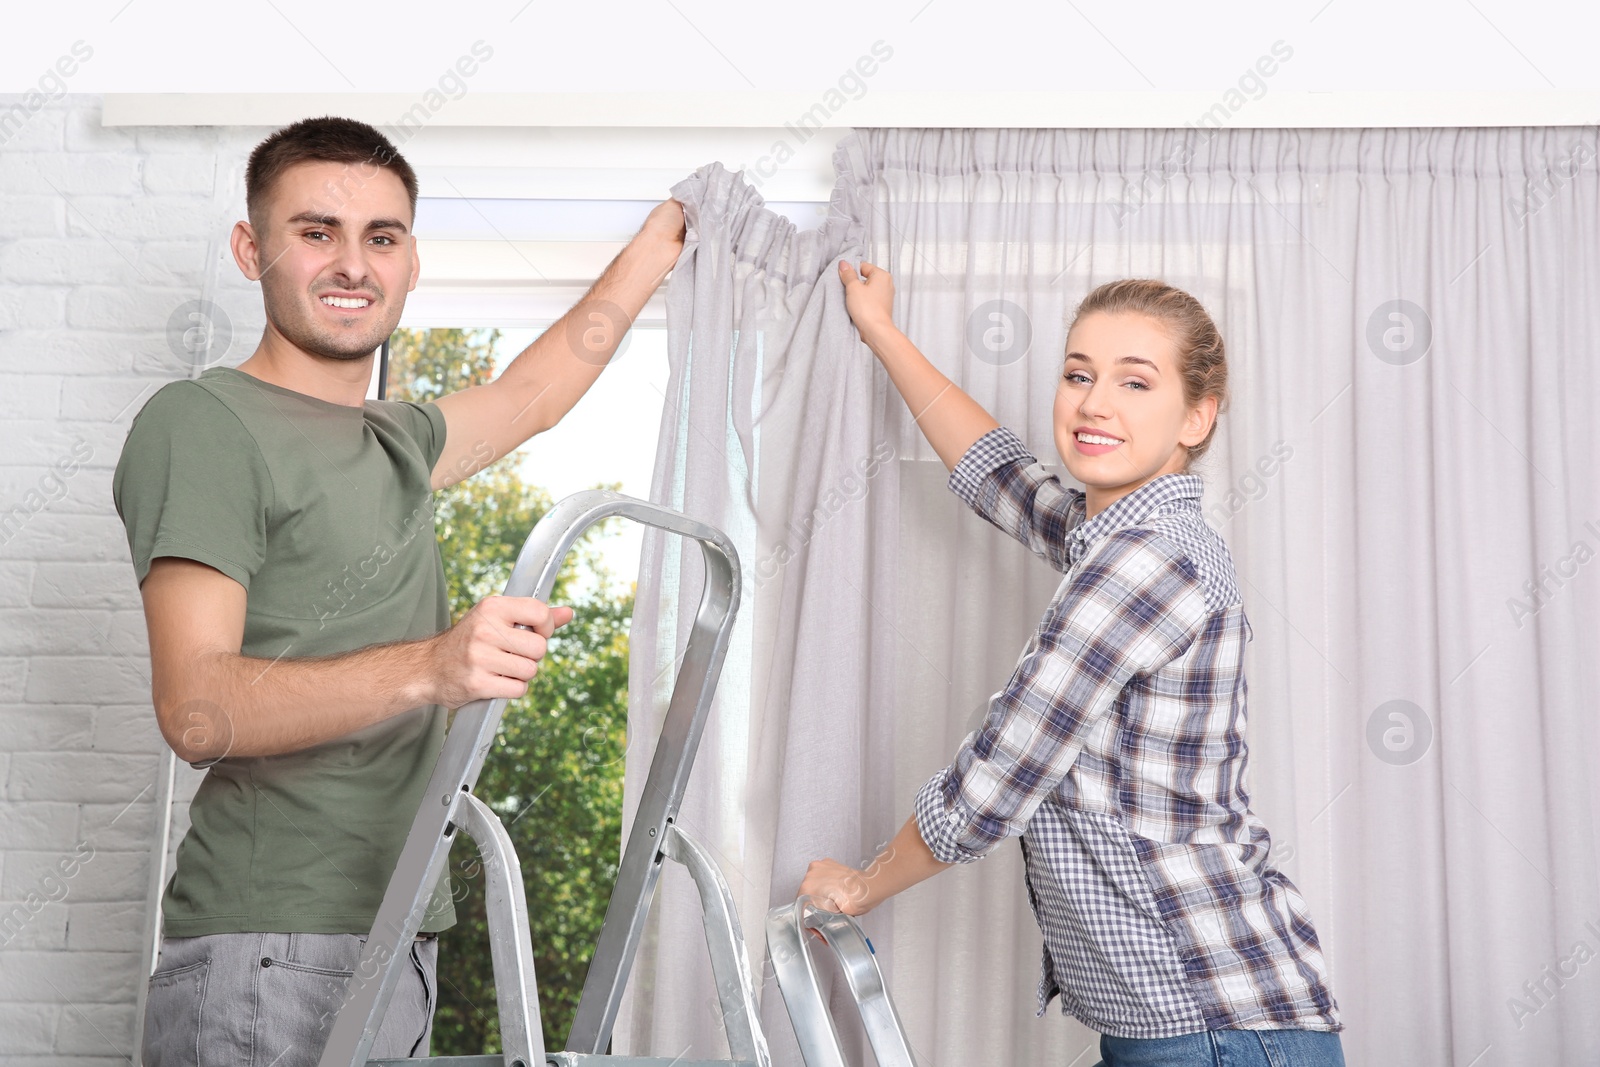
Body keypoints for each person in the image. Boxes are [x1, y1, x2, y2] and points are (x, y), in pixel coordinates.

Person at [113, 115, 684, 1066]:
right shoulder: (204, 423)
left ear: (412, 262)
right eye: (316, 232)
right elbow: (197, 706)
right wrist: (434, 665)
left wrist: (659, 247)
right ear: (252, 250)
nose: (353, 264)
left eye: (381, 237)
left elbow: (534, 394)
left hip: (397, 937)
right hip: (271, 948)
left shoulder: (397, 441)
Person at [798, 260, 1345, 1067]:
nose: (1094, 401)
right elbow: (1002, 478)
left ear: (1197, 417)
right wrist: (881, 329)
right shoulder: (1120, 540)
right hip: (1193, 1022)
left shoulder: (1145, 563)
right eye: (1078, 373)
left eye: (1135, 383)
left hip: (1214, 1027)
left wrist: (861, 885)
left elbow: (998, 777)